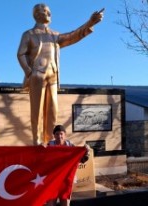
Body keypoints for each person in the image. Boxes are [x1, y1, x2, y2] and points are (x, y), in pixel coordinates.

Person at [17, 3, 104, 145]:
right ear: (37, 14)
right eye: (46, 11)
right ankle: (37, 141)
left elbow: (72, 36)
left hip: (53, 75)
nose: (49, 14)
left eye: (49, 11)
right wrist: (29, 72)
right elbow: (21, 54)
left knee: (52, 111)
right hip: (37, 75)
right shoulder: (29, 34)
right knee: (37, 111)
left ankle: (50, 140)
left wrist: (90, 22)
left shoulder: (55, 35)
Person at [46, 125, 89, 206]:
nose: (59, 136)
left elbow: (81, 159)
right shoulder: (49, 146)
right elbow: (42, 159)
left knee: (65, 203)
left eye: (61, 134)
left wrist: (86, 151)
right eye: (57, 134)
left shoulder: (70, 146)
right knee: (50, 203)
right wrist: (40, 148)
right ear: (54, 135)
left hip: (66, 180)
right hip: (53, 179)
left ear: (65, 135)